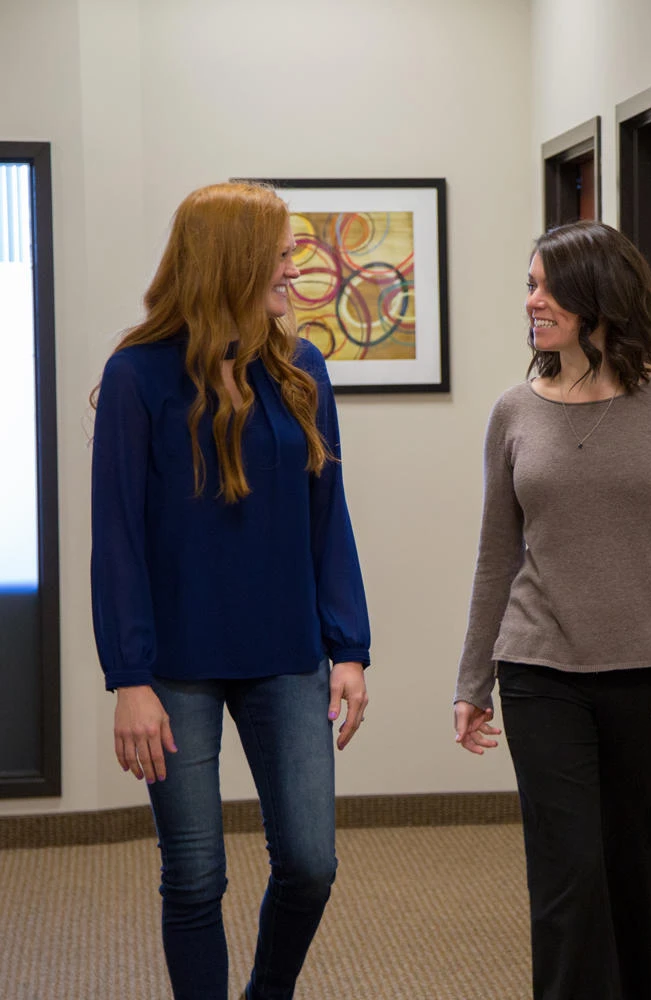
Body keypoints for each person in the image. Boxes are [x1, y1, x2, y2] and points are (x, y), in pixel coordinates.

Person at [90, 182, 371, 1000]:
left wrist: (348, 647)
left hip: (287, 655)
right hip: (174, 667)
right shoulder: (137, 375)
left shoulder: (301, 368)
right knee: (194, 876)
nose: (293, 268)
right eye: (280, 254)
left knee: (311, 864)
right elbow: (118, 537)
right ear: (232, 261)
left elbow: (328, 515)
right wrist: (129, 678)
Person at [453, 220, 651, 1000]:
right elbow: (496, 553)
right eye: (529, 286)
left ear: (596, 295)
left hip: (650, 676)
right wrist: (473, 681)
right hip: (539, 669)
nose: (531, 301)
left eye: (546, 287)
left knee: (633, 870)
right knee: (568, 877)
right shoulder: (513, 411)